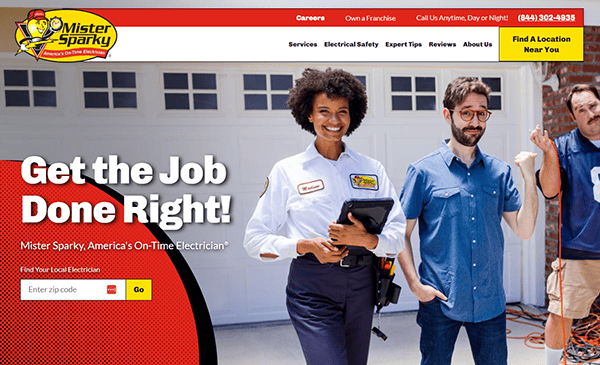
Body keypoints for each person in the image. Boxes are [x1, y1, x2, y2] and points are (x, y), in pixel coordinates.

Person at [243, 68, 406, 365]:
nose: (334, 121)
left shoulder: (372, 169)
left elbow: (397, 235)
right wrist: (304, 245)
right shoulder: (288, 171)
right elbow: (254, 241)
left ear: (352, 115)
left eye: (342, 112)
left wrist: (368, 239)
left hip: (362, 283)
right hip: (312, 286)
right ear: (308, 114)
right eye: (324, 111)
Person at [398, 77, 539, 365]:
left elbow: (524, 230)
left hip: (490, 302)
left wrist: (528, 179)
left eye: (482, 113)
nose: (475, 121)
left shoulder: (499, 172)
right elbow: (400, 233)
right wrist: (415, 285)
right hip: (440, 299)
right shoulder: (423, 172)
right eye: (466, 112)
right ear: (448, 114)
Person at [530, 84, 600, 365]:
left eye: (593, 105)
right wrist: (548, 154)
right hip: (579, 251)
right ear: (573, 117)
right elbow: (549, 190)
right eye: (581, 110)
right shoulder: (563, 147)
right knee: (561, 315)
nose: (590, 113)